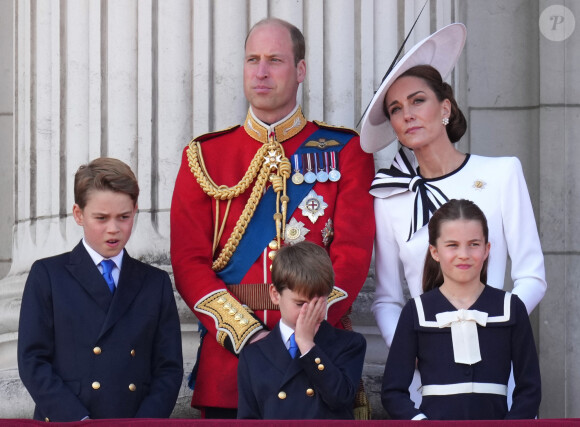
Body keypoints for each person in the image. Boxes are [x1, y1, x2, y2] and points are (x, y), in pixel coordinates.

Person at [170, 18, 374, 417]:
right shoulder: (204, 156)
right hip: (231, 368)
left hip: (318, 367)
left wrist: (305, 328)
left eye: (275, 60)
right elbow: (188, 262)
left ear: (300, 70)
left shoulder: (347, 151)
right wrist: (246, 334)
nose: (261, 72)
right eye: (252, 60)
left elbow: (351, 255)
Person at [359, 23, 546, 405]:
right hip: (422, 381)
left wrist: (493, 328)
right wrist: (415, 345)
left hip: (493, 368)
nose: (407, 114)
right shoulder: (389, 197)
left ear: (444, 107)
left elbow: (532, 276)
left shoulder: (502, 173)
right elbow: (387, 299)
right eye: (396, 109)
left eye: (417, 101)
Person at [18, 158, 183, 421]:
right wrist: (76, 420)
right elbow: (33, 361)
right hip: (68, 421)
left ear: (135, 211)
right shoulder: (48, 275)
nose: (113, 229)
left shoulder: (155, 283)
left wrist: (143, 424)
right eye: (101, 218)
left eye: (124, 217)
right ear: (78, 214)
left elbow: (168, 369)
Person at [382, 199, 541, 420]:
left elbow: (530, 389)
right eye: (452, 245)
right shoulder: (416, 311)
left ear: (487, 249)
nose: (464, 254)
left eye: (474, 244)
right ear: (434, 251)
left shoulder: (511, 308)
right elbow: (392, 392)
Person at [237, 241, 366, 419]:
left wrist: (307, 345)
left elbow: (340, 398)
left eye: (317, 303)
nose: (308, 312)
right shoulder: (253, 355)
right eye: (300, 304)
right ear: (275, 294)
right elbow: (248, 418)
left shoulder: (349, 344)